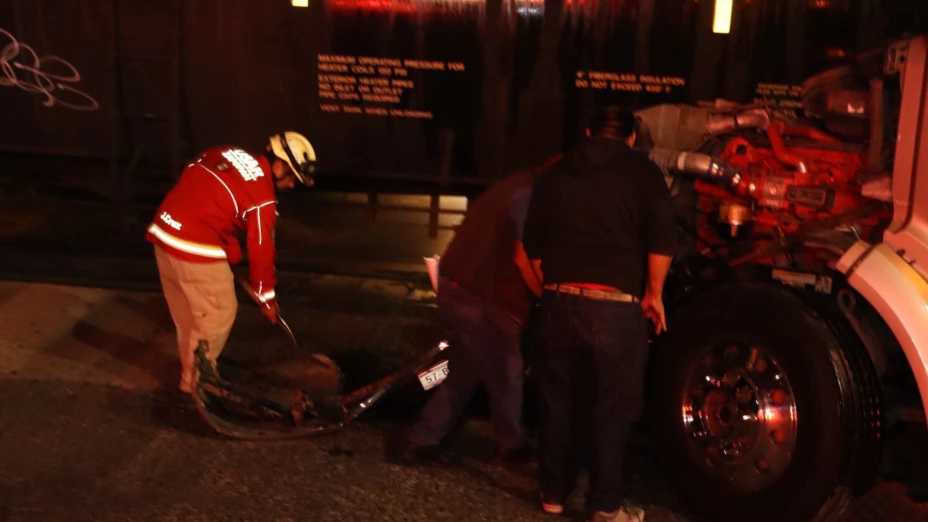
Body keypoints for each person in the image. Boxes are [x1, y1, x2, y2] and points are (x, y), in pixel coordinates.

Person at [522, 106, 678, 522]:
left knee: (557, 404)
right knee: (610, 410)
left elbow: (532, 244)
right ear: (630, 137)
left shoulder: (555, 174)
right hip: (614, 309)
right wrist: (654, 295)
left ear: (589, 132)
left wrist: (556, 289)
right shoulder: (642, 173)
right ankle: (605, 505)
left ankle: (552, 494)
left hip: (557, 303)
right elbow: (662, 239)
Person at [403, 155, 560, 465]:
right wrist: (549, 297)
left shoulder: (515, 184)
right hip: (483, 295)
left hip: (458, 286)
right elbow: (522, 257)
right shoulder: (532, 194)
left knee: (465, 367)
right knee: (507, 371)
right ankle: (511, 443)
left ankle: (421, 438)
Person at [146, 132, 318, 394]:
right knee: (219, 313)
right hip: (193, 247)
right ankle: (199, 385)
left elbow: (196, 179)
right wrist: (267, 301)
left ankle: (189, 379)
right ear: (280, 165)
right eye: (293, 177)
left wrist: (228, 248)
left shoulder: (226, 151)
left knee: (191, 320)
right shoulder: (263, 199)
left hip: (163, 234)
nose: (292, 185)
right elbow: (261, 251)